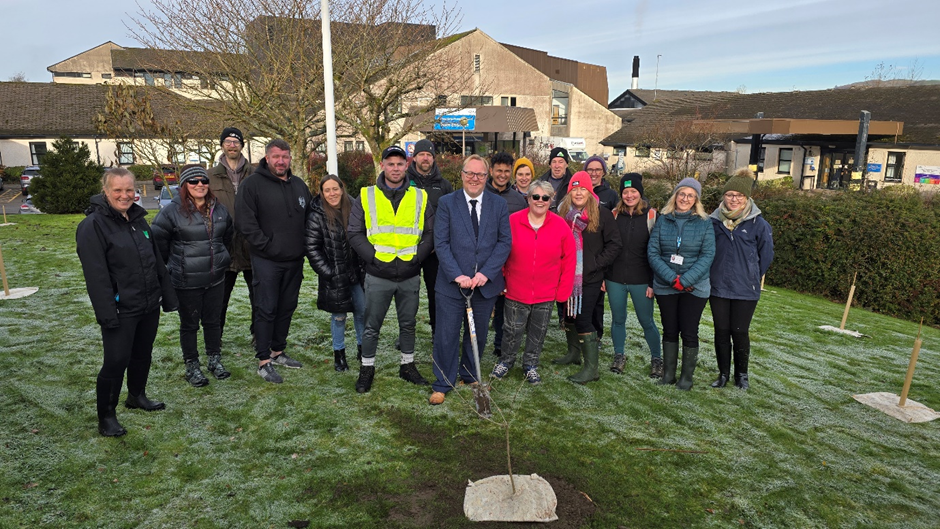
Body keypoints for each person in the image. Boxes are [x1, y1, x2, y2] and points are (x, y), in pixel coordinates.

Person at [76, 167, 178, 437]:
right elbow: (96, 276)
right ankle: (106, 416)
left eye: (129, 189)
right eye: (117, 190)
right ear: (106, 191)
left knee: (142, 353)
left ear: (136, 190)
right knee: (116, 361)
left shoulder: (138, 220)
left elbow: (156, 260)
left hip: (147, 304)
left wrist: (166, 296)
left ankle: (137, 396)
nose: (124, 195)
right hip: (120, 309)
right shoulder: (92, 226)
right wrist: (108, 314)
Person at [348, 145, 435, 393]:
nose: (395, 168)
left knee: (408, 325)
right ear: (382, 166)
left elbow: (430, 233)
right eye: (390, 163)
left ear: (406, 166)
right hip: (378, 274)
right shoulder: (366, 195)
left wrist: (417, 258)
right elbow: (354, 233)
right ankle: (367, 369)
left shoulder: (420, 196)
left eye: (399, 163)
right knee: (371, 326)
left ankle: (407, 366)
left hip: (409, 273)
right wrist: (373, 258)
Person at [429, 155, 512, 405]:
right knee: (447, 334)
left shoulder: (498, 205)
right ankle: (443, 382)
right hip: (452, 284)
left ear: (487, 177)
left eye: (480, 174)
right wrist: (458, 275)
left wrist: (485, 274)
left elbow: (504, 242)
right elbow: (441, 243)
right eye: (470, 173)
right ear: (462, 175)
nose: (475, 178)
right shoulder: (447, 203)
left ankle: (468, 373)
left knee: (478, 335)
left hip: (484, 285)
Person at [235, 139, 312, 384]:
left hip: (294, 260)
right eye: (276, 156)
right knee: (266, 308)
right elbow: (245, 223)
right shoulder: (252, 185)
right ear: (267, 158)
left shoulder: (299, 185)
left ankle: (278, 351)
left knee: (287, 306)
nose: (281, 161)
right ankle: (263, 360)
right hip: (267, 260)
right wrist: (268, 246)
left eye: (285, 156)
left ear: (290, 159)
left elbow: (309, 218)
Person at [152, 165, 234, 387]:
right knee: (189, 325)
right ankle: (192, 365)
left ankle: (214, 360)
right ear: (185, 185)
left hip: (215, 277)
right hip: (186, 280)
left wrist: (221, 259)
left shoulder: (219, 209)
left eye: (204, 181)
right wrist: (174, 266)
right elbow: (159, 245)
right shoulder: (171, 212)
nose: (200, 185)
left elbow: (227, 237)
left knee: (213, 322)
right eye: (194, 182)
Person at [491, 180, 575, 383]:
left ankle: (530, 364)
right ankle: (506, 361)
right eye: (535, 196)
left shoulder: (560, 226)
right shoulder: (512, 221)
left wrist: (563, 291)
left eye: (545, 198)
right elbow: (499, 250)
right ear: (528, 198)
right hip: (515, 289)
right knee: (511, 330)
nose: (540, 201)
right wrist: (501, 278)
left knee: (538, 333)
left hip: (545, 293)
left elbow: (570, 259)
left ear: (551, 200)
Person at [552, 171, 622, 384]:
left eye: (583, 188)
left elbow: (614, 244)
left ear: (590, 191)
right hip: (566, 277)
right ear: (569, 191)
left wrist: (593, 264)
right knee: (569, 316)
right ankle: (573, 354)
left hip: (589, 278)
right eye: (575, 188)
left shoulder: (602, 214)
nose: (579, 192)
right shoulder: (562, 213)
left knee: (583, 318)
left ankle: (592, 369)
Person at [648, 177, 715, 390]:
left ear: (696, 200)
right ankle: (668, 374)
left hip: (694, 287)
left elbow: (708, 255)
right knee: (669, 329)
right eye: (681, 194)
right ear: (675, 195)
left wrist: (685, 280)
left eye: (690, 195)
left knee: (688, 330)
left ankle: (686, 378)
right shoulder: (663, 219)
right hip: (666, 285)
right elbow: (653, 252)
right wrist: (671, 279)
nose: (685, 199)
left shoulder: (705, 223)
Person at [709, 170, 774, 390]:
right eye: (730, 194)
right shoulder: (713, 221)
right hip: (717, 287)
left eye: (739, 195)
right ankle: (723, 374)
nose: (734, 199)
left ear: (747, 198)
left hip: (746, 289)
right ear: (724, 196)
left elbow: (766, 256)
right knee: (721, 331)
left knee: (739, 331)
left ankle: (742, 375)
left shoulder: (758, 224)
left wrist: (751, 275)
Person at [305, 174, 365, 372]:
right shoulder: (317, 214)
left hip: (356, 273)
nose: (332, 193)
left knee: (361, 311)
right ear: (322, 193)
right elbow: (312, 248)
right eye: (327, 190)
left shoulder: (356, 207)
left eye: (335, 188)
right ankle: (339, 354)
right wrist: (328, 272)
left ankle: (363, 348)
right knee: (339, 317)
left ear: (342, 188)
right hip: (334, 275)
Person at [606, 173, 662, 378]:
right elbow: (606, 246)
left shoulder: (652, 216)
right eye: (625, 192)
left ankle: (657, 358)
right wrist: (604, 276)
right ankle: (619, 355)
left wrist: (653, 281)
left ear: (640, 193)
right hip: (615, 278)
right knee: (618, 319)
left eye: (633, 191)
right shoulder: (612, 215)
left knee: (646, 321)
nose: (629, 195)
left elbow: (658, 251)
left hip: (642, 280)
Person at [209, 127, 256, 345]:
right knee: (219, 300)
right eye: (227, 141)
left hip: (252, 246)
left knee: (259, 297)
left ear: (242, 145)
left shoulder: (256, 174)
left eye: (236, 141)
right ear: (222, 145)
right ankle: (215, 341)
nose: (232, 145)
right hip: (223, 247)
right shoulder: (209, 177)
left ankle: (259, 335)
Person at [405, 139, 453, 340]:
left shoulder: (444, 185)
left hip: (435, 252)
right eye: (422, 154)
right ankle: (405, 334)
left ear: (433, 158)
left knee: (436, 294)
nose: (425, 158)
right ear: (414, 157)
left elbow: (451, 217)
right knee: (407, 295)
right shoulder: (404, 182)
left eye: (429, 155)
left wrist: (440, 243)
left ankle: (436, 332)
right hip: (409, 249)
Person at [485, 151, 527, 358]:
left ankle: (500, 345)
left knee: (504, 306)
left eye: (506, 171)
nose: (502, 175)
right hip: (481, 259)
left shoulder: (519, 200)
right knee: (479, 306)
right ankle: (474, 342)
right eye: (499, 170)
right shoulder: (479, 193)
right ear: (491, 171)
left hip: (508, 261)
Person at [538, 147, 573, 211]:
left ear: (566, 164)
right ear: (550, 165)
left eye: (560, 162)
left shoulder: (573, 183)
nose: (557, 166)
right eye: (554, 162)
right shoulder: (540, 182)